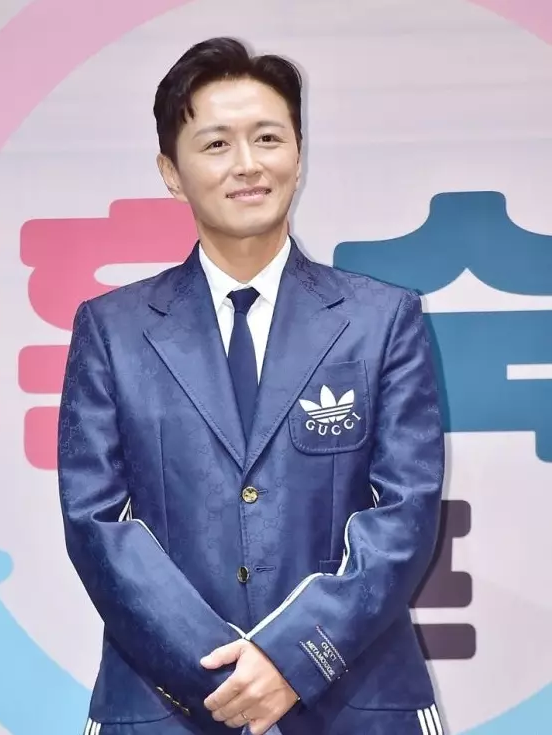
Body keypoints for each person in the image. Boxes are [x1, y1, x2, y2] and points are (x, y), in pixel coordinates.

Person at [57, 37, 445, 735]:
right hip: (165, 702)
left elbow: (405, 512)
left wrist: (295, 658)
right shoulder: (113, 330)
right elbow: (96, 524)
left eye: (268, 138)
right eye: (216, 144)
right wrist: (226, 675)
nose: (247, 164)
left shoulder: (381, 319)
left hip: (355, 702)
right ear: (170, 172)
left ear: (299, 153)